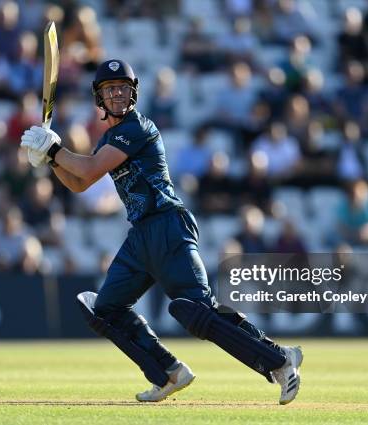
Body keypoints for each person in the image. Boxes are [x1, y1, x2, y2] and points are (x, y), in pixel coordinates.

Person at [20, 59, 303, 404]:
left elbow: (89, 167)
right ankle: (168, 372)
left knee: (194, 310)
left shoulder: (136, 128)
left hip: (168, 224)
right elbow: (81, 183)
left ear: (134, 92)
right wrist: (50, 160)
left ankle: (280, 360)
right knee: (103, 310)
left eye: (123, 87)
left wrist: (53, 150)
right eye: (110, 90)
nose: (118, 94)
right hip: (141, 235)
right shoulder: (111, 138)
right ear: (99, 98)